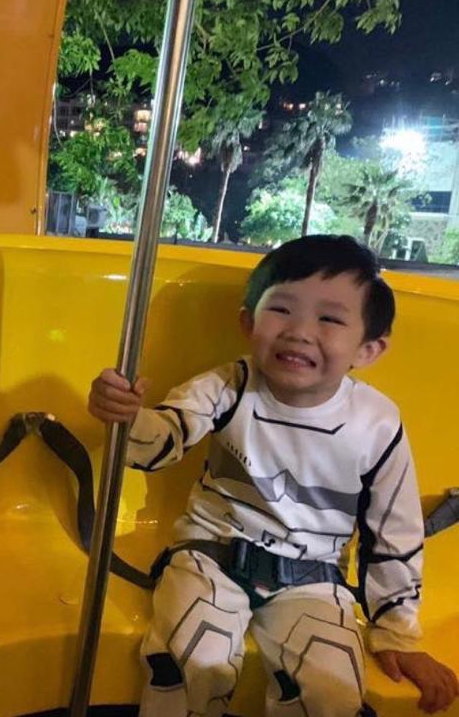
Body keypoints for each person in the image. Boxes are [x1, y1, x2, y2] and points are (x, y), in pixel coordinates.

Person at [87, 235, 458, 716]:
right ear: (248, 323)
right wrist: (127, 417)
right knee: (189, 657)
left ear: (368, 349)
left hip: (313, 578)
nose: (299, 332)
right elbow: (166, 436)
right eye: (281, 310)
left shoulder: (377, 424)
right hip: (210, 556)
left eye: (329, 319)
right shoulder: (228, 386)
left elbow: (394, 532)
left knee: (332, 690)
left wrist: (396, 632)